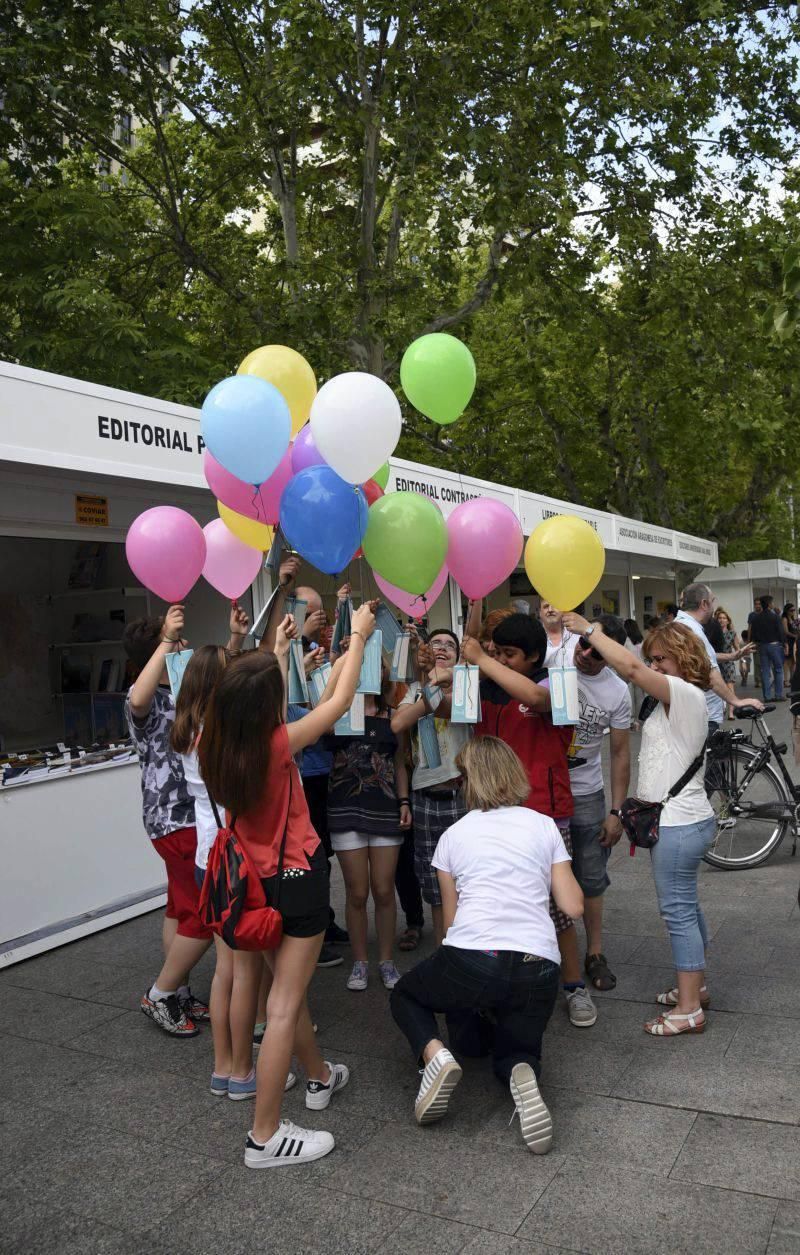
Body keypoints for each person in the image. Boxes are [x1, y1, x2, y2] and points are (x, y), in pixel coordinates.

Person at [200, 603, 376, 1168]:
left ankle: (320, 1077)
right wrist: (358, 636)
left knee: (287, 993)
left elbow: (262, 707)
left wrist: (275, 651)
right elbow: (339, 702)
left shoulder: (215, 745)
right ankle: (265, 1135)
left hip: (250, 884)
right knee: (282, 1006)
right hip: (295, 879)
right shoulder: (279, 746)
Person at [389, 736, 583, 1152]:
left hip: (474, 956)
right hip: (540, 963)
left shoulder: (453, 837)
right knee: (517, 1041)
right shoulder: (543, 824)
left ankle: (436, 1054)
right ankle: (522, 1071)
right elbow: (572, 905)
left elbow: (451, 925)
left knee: (408, 995)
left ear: (467, 783)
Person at [563, 613, 720, 1037]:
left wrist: (588, 630)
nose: (652, 667)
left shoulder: (684, 693)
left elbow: (628, 669)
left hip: (679, 825)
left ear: (683, 660)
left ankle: (689, 1009)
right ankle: (697, 988)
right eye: (651, 659)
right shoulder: (679, 696)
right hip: (683, 822)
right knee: (687, 908)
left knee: (679, 913)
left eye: (661, 660)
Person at [460, 615, 595, 1029]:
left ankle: (574, 986)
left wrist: (483, 659)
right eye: (497, 651)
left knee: (558, 909)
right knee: (499, 904)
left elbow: (536, 701)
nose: (501, 659)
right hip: (491, 815)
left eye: (510, 654)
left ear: (535, 656)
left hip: (545, 814)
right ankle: (500, 986)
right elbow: (448, 707)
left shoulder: (558, 683)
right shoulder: (486, 685)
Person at [125, 602, 244, 1037]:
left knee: (178, 907)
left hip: (187, 819)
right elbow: (138, 698)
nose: (183, 648)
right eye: (174, 644)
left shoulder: (180, 693)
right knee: (199, 912)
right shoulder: (147, 700)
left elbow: (214, 680)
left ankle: (177, 992)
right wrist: (166, 640)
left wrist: (232, 640)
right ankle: (160, 993)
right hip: (176, 822)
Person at [171, 639, 270, 1099]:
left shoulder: (186, 732)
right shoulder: (223, 734)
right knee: (241, 972)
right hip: (233, 864)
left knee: (223, 970)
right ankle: (241, 1072)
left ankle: (221, 1069)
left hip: (203, 863)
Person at [323, 650, 412, 992]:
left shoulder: (394, 715)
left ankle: (386, 961)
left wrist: (404, 801)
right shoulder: (338, 712)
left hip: (387, 809)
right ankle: (360, 962)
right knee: (357, 892)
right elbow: (321, 723)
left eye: (374, 668)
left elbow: (400, 760)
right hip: (345, 809)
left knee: (384, 889)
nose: (369, 675)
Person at [392, 627, 472, 947]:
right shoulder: (413, 690)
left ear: (458, 655)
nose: (441, 647)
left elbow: (450, 708)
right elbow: (398, 724)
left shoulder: (465, 685)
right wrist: (427, 684)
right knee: (435, 884)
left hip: (460, 793)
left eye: (449, 645)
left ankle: (465, 948)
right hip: (424, 795)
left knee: (465, 878)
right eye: (435, 643)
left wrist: (438, 680)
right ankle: (443, 949)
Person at [566, 616, 632, 993]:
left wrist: (616, 811)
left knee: (591, 878)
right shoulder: (555, 661)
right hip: (543, 789)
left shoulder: (618, 691)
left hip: (588, 794)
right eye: (583, 645)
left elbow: (621, 753)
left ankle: (594, 953)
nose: (585, 655)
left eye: (596, 651)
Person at [294, 580, 350, 962]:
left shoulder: (318, 652)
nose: (318, 616)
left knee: (324, 852)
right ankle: (312, 932)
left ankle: (324, 920)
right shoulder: (279, 658)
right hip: (301, 772)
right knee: (308, 855)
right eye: (309, 611)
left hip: (326, 765)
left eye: (321, 610)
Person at [675, 583, 758, 731]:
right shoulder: (692, 630)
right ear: (704, 604)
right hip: (702, 713)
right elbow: (711, 674)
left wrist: (732, 656)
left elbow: (704, 657)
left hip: (700, 711)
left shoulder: (684, 625)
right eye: (713, 601)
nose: (714, 606)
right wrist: (736, 701)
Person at [748, 594, 787, 702]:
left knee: (765, 671)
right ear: (769, 604)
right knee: (778, 670)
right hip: (775, 646)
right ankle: (778, 695)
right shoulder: (775, 617)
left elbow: (754, 634)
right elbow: (780, 632)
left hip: (762, 646)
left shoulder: (756, 618)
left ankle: (767, 696)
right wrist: (785, 644)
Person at [713, 608, 741, 721]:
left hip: (728, 663)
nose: (722, 620)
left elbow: (738, 649)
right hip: (716, 662)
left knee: (730, 687)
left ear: (728, 621)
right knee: (717, 687)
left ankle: (731, 712)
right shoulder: (713, 633)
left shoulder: (732, 633)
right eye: (719, 618)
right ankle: (721, 709)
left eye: (724, 618)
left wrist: (742, 662)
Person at [781, 604, 799, 689]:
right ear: (786, 611)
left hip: (794, 641)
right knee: (787, 662)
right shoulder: (784, 619)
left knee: (793, 661)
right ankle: (786, 680)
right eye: (791, 610)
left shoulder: (793, 619)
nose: (792, 612)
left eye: (794, 610)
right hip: (788, 641)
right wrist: (794, 635)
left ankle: (792, 679)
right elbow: (785, 631)